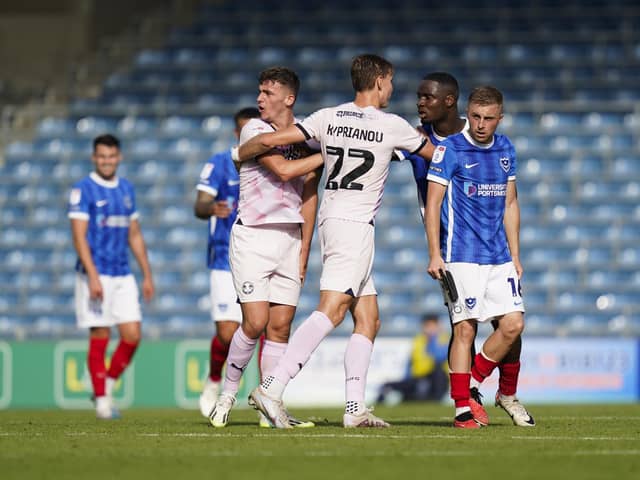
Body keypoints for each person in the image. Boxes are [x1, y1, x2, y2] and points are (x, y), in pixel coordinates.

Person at [240, 53, 435, 428]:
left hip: (335, 219)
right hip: (355, 225)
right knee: (331, 309)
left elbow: (273, 140)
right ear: (379, 80)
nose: (393, 88)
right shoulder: (392, 125)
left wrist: (241, 151)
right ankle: (272, 387)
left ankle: (354, 409)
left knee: (368, 318)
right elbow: (436, 153)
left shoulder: (327, 117)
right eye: (391, 80)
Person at [400, 73, 533, 427]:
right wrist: (434, 253)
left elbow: (510, 204)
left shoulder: (505, 149)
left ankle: (475, 386)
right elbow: (433, 204)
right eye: (476, 116)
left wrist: (517, 255)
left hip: (500, 256)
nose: (481, 124)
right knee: (464, 328)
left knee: (513, 325)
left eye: (489, 118)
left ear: (499, 118)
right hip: (459, 253)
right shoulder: (449, 150)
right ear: (466, 111)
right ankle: (463, 405)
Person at [208, 67, 324, 428]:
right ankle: (227, 394)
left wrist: (305, 250)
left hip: (290, 238)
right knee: (255, 322)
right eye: (259, 91)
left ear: (289, 98)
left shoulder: (306, 132)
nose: (260, 99)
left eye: (268, 93)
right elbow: (285, 171)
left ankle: (271, 405)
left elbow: (308, 194)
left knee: (281, 327)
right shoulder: (255, 129)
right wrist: (329, 154)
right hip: (253, 237)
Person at [68, 134, 154, 419]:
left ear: (119, 157)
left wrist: (147, 274)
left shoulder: (126, 189)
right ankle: (103, 403)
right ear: (94, 158)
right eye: (101, 156)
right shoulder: (83, 190)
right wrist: (92, 276)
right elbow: (79, 237)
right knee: (101, 333)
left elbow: (134, 234)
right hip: (96, 274)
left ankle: (104, 384)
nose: (106, 161)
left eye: (111, 156)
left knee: (132, 335)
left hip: (123, 273)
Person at [194, 107, 261, 418]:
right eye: (244, 130)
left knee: (262, 327)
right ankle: (213, 381)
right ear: (237, 133)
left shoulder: (270, 161)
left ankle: (265, 397)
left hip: (259, 257)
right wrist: (211, 208)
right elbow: (200, 204)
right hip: (223, 257)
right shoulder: (220, 163)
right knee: (226, 333)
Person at [376, 313, 449, 404]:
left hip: (436, 380)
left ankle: (434, 399)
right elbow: (410, 363)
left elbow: (439, 357)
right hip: (418, 378)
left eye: (432, 325)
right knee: (388, 386)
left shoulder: (444, 339)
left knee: (438, 372)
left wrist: (432, 339)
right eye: (427, 325)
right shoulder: (418, 340)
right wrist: (406, 380)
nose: (430, 328)